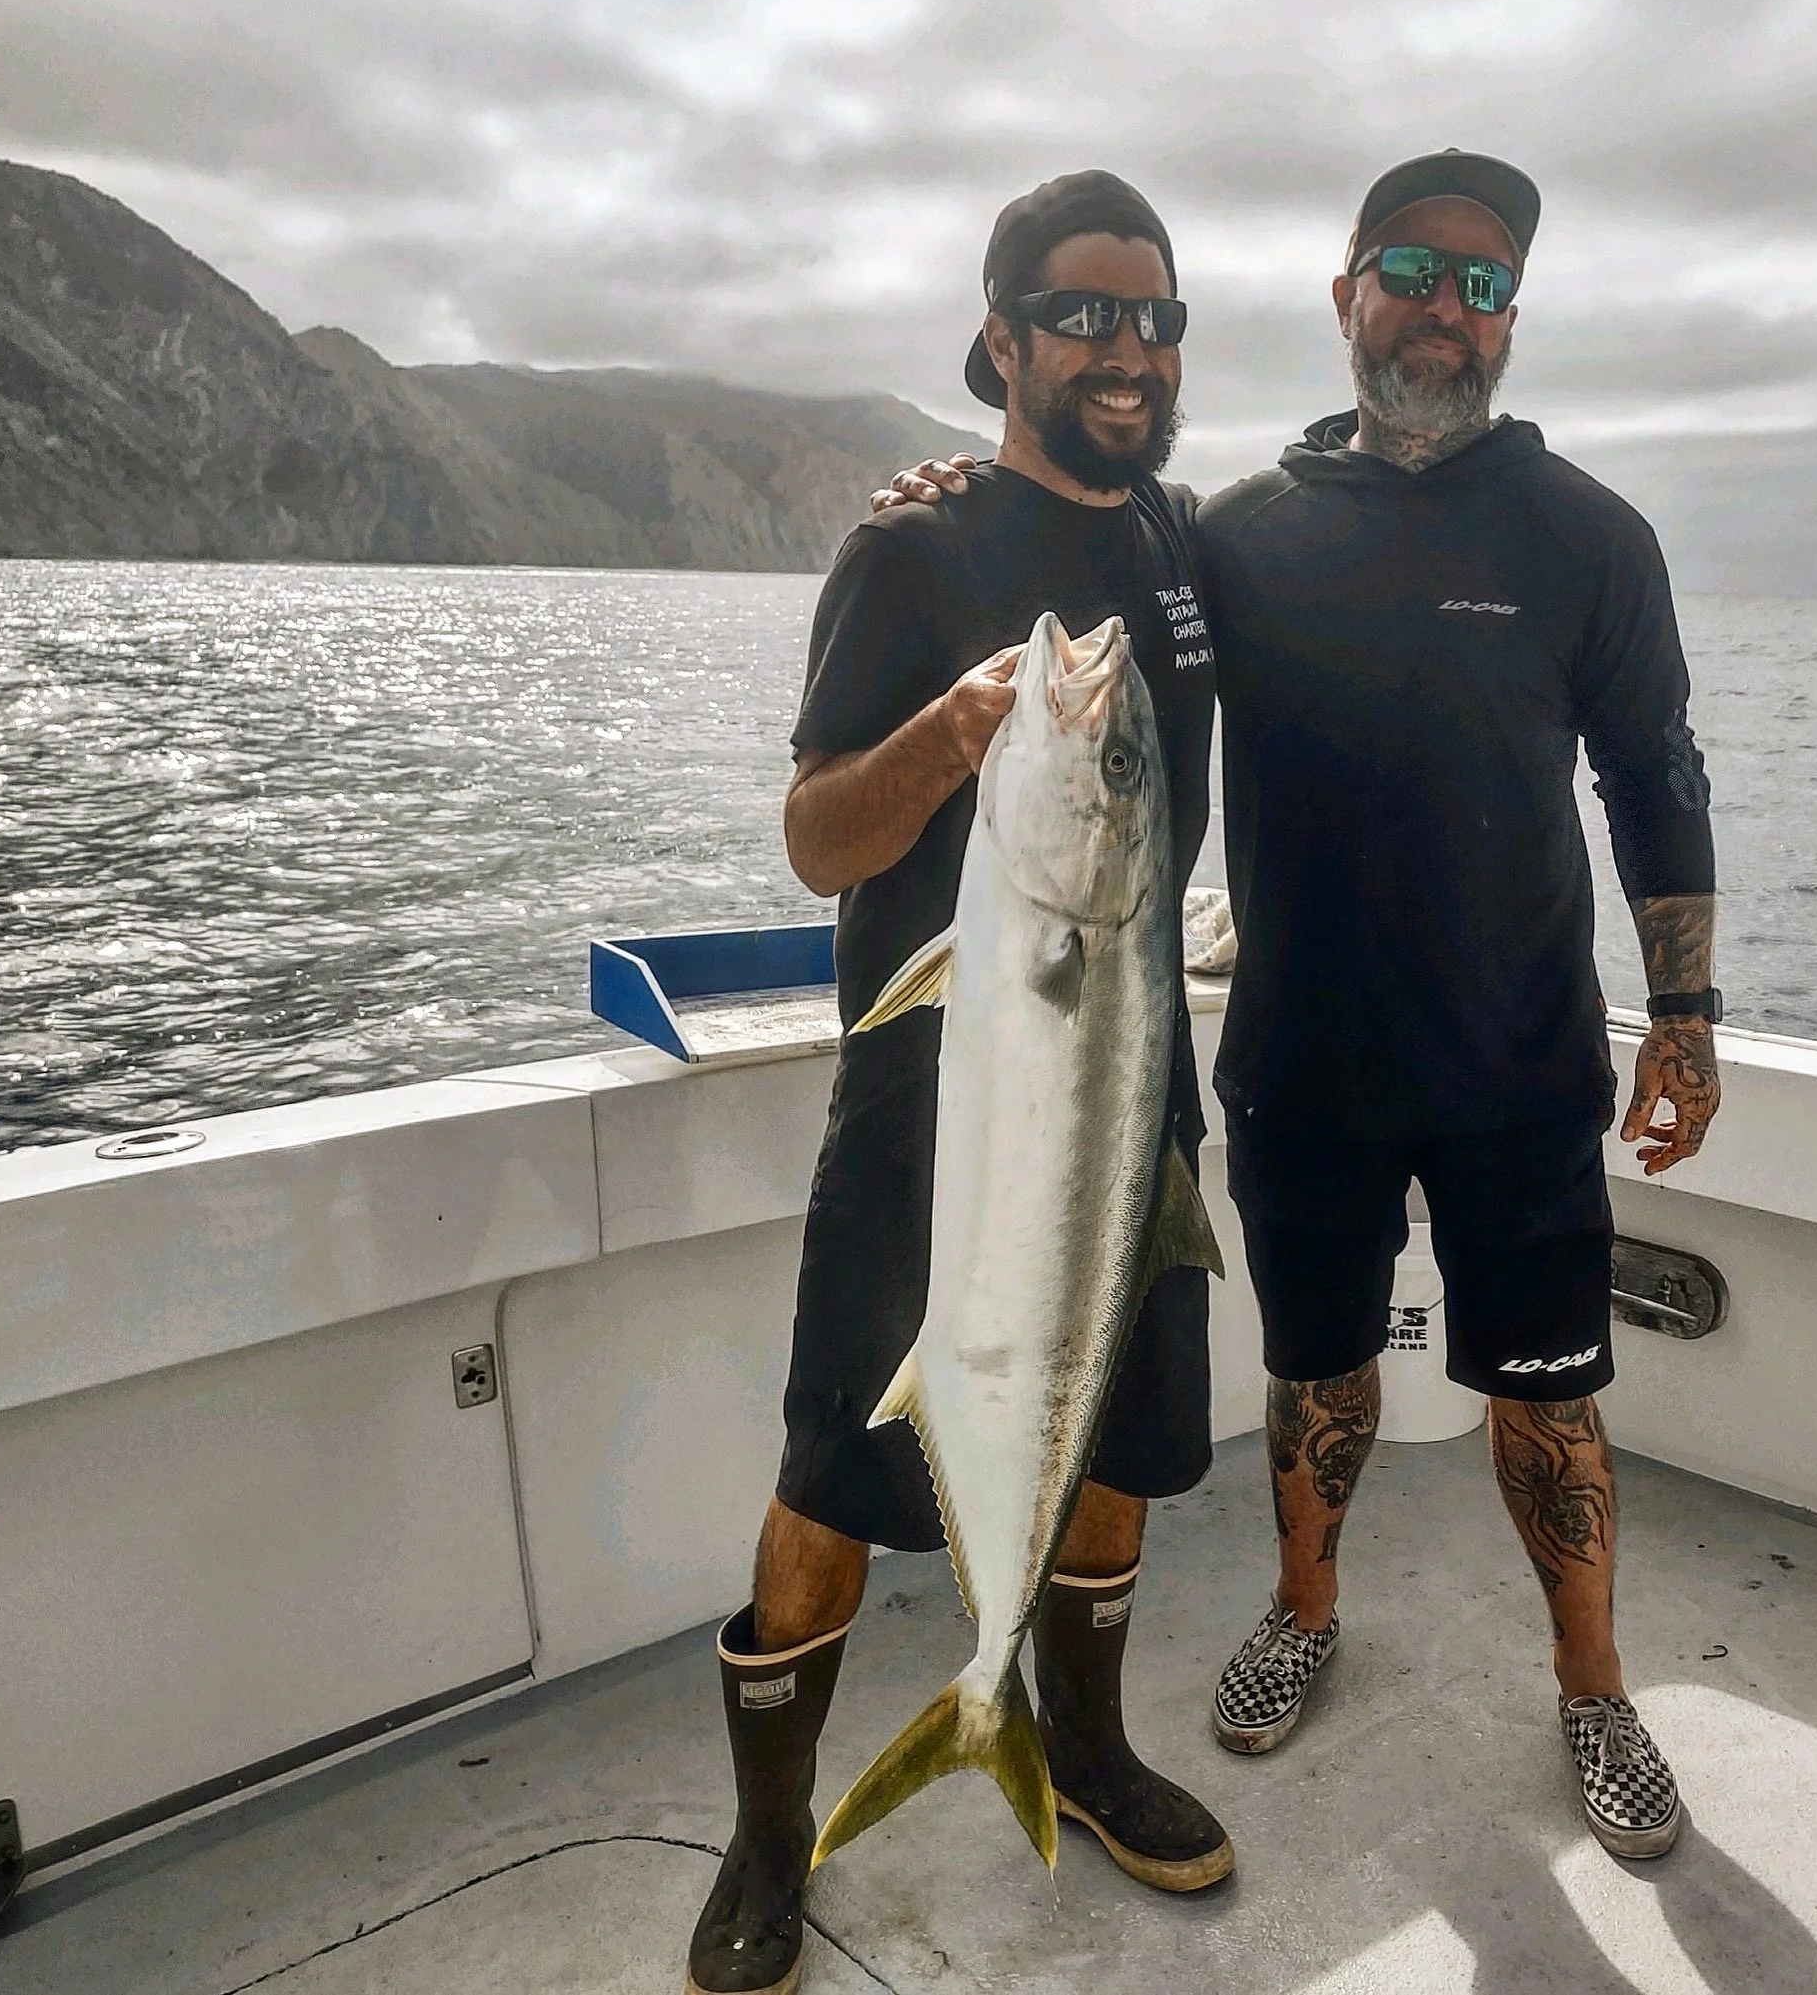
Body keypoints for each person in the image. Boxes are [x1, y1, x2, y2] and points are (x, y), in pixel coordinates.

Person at [875, 150, 1721, 1865]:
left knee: (1550, 1400)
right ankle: (1302, 1612)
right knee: (1316, 1374)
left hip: (1517, 1064)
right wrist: (952, 496)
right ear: (1345, 296)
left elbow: (1652, 773)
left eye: (1482, 285)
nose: (1442, 310)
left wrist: (1685, 1009)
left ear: (1512, 323)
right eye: (1411, 270)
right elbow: (1078, 549)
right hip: (1302, 1065)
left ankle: (1594, 1689)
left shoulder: (1588, 540)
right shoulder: (1234, 535)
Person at [685, 170, 1230, 1995]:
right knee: (834, 1477)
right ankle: (773, 1842)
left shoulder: (1178, 543)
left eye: (1154, 318)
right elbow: (818, 842)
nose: (1125, 349)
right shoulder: (908, 556)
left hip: (1131, 1093)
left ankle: (1065, 1743)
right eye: (1083, 314)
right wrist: (942, 733)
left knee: (1118, 1446)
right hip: (927, 1125)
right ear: (998, 335)